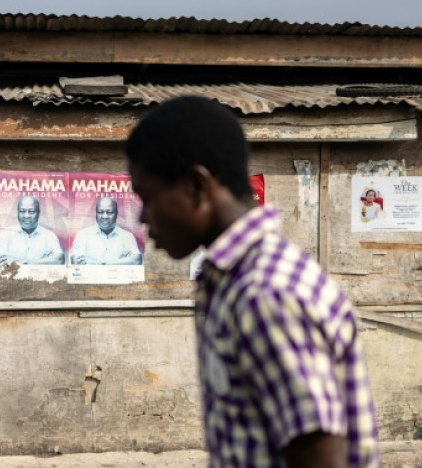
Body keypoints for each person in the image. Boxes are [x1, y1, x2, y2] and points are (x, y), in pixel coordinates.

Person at [125, 96, 378, 468]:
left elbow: (319, 457)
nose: (143, 217)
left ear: (197, 187)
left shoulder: (264, 295)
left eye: (148, 197)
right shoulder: (239, 281)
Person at [0, 195, 65, 265]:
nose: (26, 216)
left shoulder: (49, 236)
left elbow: (59, 260)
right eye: (22, 211)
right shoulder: (5, 234)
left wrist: (17, 261)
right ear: (17, 213)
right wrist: (42, 261)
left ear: (38, 213)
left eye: (31, 211)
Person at [70, 197, 143, 265]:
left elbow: (136, 260)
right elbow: (76, 261)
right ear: (95, 213)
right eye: (100, 212)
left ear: (116, 213)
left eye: (109, 212)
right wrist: (121, 261)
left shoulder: (127, 236)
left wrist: (97, 262)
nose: (105, 216)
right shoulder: (82, 235)